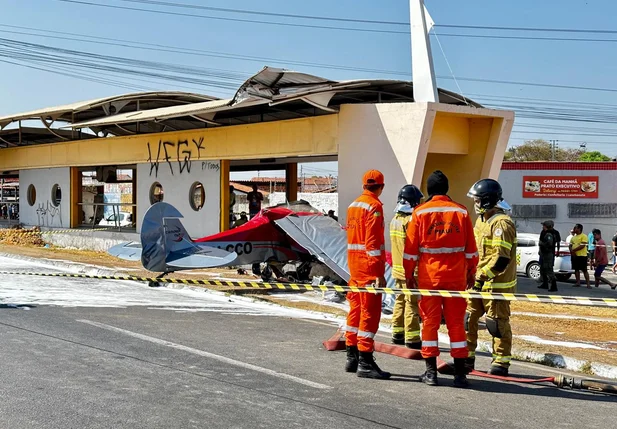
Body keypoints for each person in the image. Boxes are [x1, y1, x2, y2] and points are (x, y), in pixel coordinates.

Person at [403, 171, 478, 388]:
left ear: (428, 190)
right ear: (447, 189)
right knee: (456, 325)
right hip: (456, 278)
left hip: (430, 278)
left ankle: (431, 373)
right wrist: (471, 272)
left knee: (430, 324)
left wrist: (409, 275)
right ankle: (460, 376)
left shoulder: (419, 213)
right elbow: (471, 249)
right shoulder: (461, 212)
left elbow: (410, 251)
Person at [466, 178, 517, 377]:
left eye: (477, 200)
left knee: (496, 323)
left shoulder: (502, 224)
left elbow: (501, 260)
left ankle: (501, 362)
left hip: (496, 285)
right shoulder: (481, 220)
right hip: (477, 283)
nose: (475, 203)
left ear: (487, 200)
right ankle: (466, 357)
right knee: (468, 320)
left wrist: (481, 278)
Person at [344, 169, 390, 379]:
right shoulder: (374, 206)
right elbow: (373, 244)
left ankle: (351, 356)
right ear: (380, 187)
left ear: (364, 186)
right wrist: (379, 273)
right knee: (369, 315)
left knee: (355, 310)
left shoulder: (353, 206)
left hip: (354, 267)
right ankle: (365, 361)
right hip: (368, 269)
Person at [390, 184, 424, 350]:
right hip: (410, 270)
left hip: (397, 268)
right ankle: (412, 337)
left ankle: (397, 333)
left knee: (400, 301)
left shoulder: (395, 219)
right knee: (412, 303)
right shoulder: (410, 221)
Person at [538, 220, 558, 292]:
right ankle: (545, 284)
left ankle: (553, 286)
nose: (543, 227)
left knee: (549, 270)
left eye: (544, 225)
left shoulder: (549, 234)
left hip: (548, 254)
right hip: (545, 254)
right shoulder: (545, 233)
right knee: (544, 269)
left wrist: (542, 244)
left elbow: (549, 243)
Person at [569, 224, 591, 288]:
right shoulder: (573, 237)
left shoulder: (584, 236)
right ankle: (578, 282)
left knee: (584, 270)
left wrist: (574, 250)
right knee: (576, 269)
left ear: (579, 229)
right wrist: (571, 251)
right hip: (575, 256)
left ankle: (588, 284)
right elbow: (570, 245)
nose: (574, 229)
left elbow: (583, 245)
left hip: (582, 255)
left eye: (575, 228)